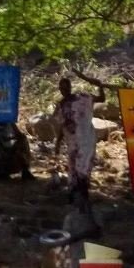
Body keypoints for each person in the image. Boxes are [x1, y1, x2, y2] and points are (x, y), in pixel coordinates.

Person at [52, 76, 103, 206]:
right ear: (59, 89)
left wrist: (100, 85)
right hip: (72, 142)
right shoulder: (61, 106)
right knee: (73, 170)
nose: (64, 90)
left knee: (83, 169)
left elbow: (101, 99)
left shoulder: (83, 98)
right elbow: (61, 126)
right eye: (61, 88)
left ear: (70, 87)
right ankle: (73, 197)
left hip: (86, 140)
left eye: (66, 87)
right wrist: (58, 143)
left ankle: (83, 199)